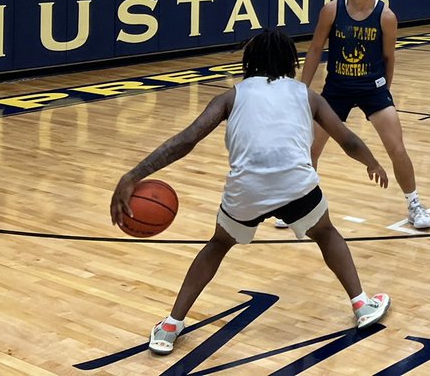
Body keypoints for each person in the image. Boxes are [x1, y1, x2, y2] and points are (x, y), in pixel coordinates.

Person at [110, 29, 392, 357]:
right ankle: (361, 306)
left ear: (249, 62)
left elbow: (186, 140)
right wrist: (371, 161)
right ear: (290, 62)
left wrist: (133, 175)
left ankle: (172, 325)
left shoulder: (232, 96)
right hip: (295, 185)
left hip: (247, 190)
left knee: (218, 244)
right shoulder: (306, 94)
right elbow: (348, 140)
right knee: (326, 233)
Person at [298, 0, 430, 229]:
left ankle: (414, 203)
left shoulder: (386, 16)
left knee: (396, 148)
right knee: (311, 148)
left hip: (372, 88)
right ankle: (300, 206)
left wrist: (385, 91)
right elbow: (314, 50)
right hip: (336, 88)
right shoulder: (331, 10)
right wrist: (301, 90)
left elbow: (389, 58)